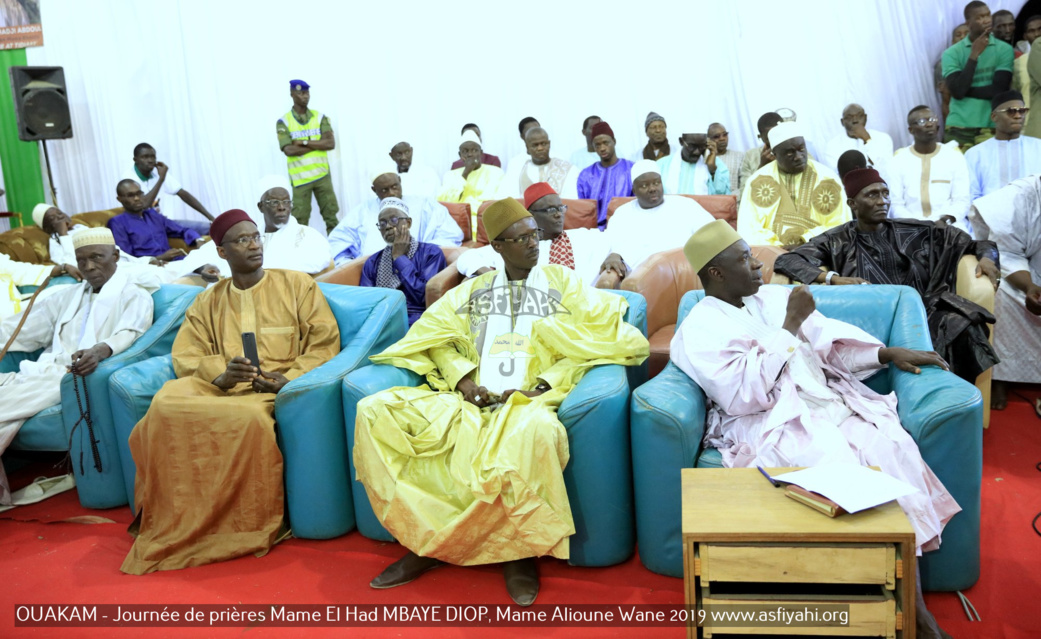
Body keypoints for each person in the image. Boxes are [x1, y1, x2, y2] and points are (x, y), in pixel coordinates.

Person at [353, 197, 649, 605]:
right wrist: (464, 380)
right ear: (497, 247)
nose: (534, 244)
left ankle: (518, 552)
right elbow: (436, 341)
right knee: (375, 411)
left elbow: (593, 343)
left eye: (535, 236)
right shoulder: (471, 291)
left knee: (537, 431)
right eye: (521, 238)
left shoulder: (564, 283)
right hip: (470, 401)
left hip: (528, 402)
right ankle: (428, 541)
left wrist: (542, 386)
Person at [671, 219, 958, 639]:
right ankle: (879, 609)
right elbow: (742, 394)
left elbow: (826, 339)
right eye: (744, 259)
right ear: (715, 273)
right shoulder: (698, 328)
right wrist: (788, 327)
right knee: (837, 466)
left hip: (826, 400)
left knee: (893, 449)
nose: (757, 266)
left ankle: (910, 599)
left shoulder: (769, 297)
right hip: (771, 420)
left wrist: (884, 352)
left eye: (753, 255)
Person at [122, 209, 340, 575]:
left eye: (256, 237)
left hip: (271, 389)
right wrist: (220, 375)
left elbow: (324, 343)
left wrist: (290, 378)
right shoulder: (209, 300)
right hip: (219, 387)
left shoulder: (297, 284)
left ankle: (246, 524)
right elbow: (187, 353)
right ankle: (175, 514)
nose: (254, 245)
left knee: (250, 417)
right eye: (242, 240)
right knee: (164, 405)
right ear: (221, 253)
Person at [774, 167, 999, 381]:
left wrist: (988, 257)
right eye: (872, 195)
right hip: (872, 320)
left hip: (925, 312)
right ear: (853, 203)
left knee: (965, 326)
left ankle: (952, 397)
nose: (882, 201)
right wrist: (833, 278)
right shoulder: (837, 239)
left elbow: (971, 242)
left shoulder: (915, 230)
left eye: (885, 193)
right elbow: (787, 259)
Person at [0, 227, 158, 504]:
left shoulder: (134, 294)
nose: (88, 267)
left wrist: (99, 351)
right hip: (40, 372)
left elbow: (129, 333)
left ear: (116, 255)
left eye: (97, 257)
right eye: (81, 260)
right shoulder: (67, 296)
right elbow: (21, 329)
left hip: (71, 378)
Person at [970, 175, 1041, 410]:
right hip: (1023, 273)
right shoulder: (1021, 196)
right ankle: (1001, 376)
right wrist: (1030, 287)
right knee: (1000, 293)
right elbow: (1006, 253)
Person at [455, 182, 611, 286]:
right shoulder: (513, 244)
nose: (558, 214)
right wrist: (490, 275)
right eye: (550, 210)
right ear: (531, 214)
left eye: (561, 208)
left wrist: (617, 255)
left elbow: (614, 242)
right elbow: (466, 258)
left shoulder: (583, 237)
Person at [177, 176, 333, 279]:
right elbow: (202, 254)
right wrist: (204, 267)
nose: (281, 207)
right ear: (260, 207)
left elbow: (320, 260)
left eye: (286, 202)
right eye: (274, 202)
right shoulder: (246, 233)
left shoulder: (307, 235)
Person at [737, 121, 851, 249]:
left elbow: (841, 224)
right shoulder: (757, 181)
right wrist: (778, 249)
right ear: (775, 154)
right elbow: (749, 229)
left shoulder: (827, 178)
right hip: (773, 257)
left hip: (821, 252)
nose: (798, 157)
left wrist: (805, 241)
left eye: (801, 149)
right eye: (790, 153)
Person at [600, 160, 715, 281]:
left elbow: (713, 233)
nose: (652, 189)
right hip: (635, 277)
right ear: (634, 190)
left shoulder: (685, 205)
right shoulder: (622, 213)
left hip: (682, 274)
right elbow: (611, 244)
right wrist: (613, 254)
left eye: (656, 183)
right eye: (644, 185)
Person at [331, 167, 462, 266]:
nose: (391, 193)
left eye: (395, 187)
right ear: (374, 190)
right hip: (371, 270)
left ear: (400, 181)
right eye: (384, 190)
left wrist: (417, 253)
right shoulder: (362, 210)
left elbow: (450, 236)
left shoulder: (425, 204)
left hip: (415, 267)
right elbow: (337, 241)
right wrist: (351, 265)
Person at [359, 198, 445, 325]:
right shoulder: (373, 262)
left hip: (418, 320)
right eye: (382, 223)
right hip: (381, 321)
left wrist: (399, 258)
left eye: (394, 220)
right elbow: (365, 302)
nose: (388, 226)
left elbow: (423, 297)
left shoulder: (431, 253)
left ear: (408, 223)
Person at [941, 1, 1014, 151]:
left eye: (988, 15)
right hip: (959, 125)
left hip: (992, 125)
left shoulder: (1004, 49)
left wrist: (964, 89)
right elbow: (958, 91)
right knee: (959, 173)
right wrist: (974, 54)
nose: (987, 20)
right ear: (968, 23)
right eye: (980, 17)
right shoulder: (951, 53)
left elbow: (999, 90)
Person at [888, 106, 972, 230]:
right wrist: (915, 224)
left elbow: (962, 200)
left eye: (932, 120)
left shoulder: (954, 157)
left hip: (949, 225)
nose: (929, 124)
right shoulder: (899, 160)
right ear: (911, 130)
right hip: (909, 226)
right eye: (922, 121)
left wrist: (945, 220)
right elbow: (896, 204)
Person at [276, 79, 339, 232]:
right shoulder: (283, 122)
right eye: (300, 93)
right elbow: (288, 150)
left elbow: (330, 144)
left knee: (331, 216)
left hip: (321, 175)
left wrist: (302, 143)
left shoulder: (320, 117)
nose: (305, 96)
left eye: (307, 92)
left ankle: (338, 251)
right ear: (292, 94)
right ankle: (301, 252)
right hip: (300, 180)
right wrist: (318, 144)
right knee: (299, 221)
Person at [965, 90, 1041, 201]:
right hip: (989, 215)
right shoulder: (975, 154)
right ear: (994, 116)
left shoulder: (1038, 147)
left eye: (1022, 111)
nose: (1018, 116)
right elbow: (971, 194)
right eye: (1011, 111)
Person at [123, 143, 214, 234]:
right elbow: (144, 204)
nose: (150, 160)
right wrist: (161, 179)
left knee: (211, 228)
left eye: (153, 157)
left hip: (161, 221)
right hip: (142, 226)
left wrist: (211, 218)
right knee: (193, 232)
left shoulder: (156, 172)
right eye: (145, 157)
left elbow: (182, 193)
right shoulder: (128, 179)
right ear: (135, 160)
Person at [108, 179, 204, 261]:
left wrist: (198, 239)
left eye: (139, 194)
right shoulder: (117, 223)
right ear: (119, 199)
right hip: (149, 269)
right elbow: (127, 259)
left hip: (174, 262)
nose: (137, 198)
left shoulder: (153, 215)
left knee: (206, 263)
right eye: (130, 195)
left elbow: (183, 230)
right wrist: (159, 258)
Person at [440, 131, 506, 236]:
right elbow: (447, 203)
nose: (470, 154)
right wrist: (465, 173)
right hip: (459, 227)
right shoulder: (450, 175)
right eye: (465, 151)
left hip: (488, 224)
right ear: (460, 155)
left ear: (481, 153)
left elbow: (497, 202)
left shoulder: (496, 172)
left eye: (474, 150)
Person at [576, 121, 633, 229]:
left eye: (606, 143)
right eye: (597, 145)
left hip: (626, 228)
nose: (602, 148)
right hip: (595, 233)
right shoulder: (586, 175)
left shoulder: (630, 169)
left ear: (614, 141)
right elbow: (583, 210)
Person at [500, 127, 579, 199]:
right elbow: (508, 198)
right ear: (527, 148)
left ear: (549, 144)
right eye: (535, 145)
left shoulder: (567, 169)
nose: (540, 148)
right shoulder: (517, 170)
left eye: (544, 144)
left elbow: (571, 200)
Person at [823, 104, 894, 180]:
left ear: (866, 118)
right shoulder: (833, 145)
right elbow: (837, 176)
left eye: (859, 116)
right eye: (849, 117)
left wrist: (867, 139)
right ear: (842, 122)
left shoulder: (883, 138)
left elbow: (886, 170)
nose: (855, 121)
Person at [656, 132, 730, 195]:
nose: (697, 151)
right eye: (693, 146)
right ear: (681, 141)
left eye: (702, 146)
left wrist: (713, 170)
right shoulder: (661, 165)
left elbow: (722, 195)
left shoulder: (716, 164)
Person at [738, 112, 783, 195]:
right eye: (769, 138)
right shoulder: (750, 156)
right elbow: (744, 193)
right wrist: (762, 166)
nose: (774, 142)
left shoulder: (796, 150)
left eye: (777, 136)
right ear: (760, 137)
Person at [937, 24, 971, 120]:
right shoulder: (944, 64)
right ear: (952, 42)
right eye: (958, 34)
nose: (963, 37)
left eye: (967, 33)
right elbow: (946, 100)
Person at [1016, 15, 1041, 134]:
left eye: (1040, 29)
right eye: (1032, 31)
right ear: (1025, 36)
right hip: (1031, 123)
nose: (1036, 34)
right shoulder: (1019, 62)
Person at [708, 123, 743, 194]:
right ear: (709, 140)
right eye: (716, 137)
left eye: (725, 134)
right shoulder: (705, 159)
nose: (722, 138)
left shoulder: (739, 156)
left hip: (733, 201)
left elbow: (744, 184)